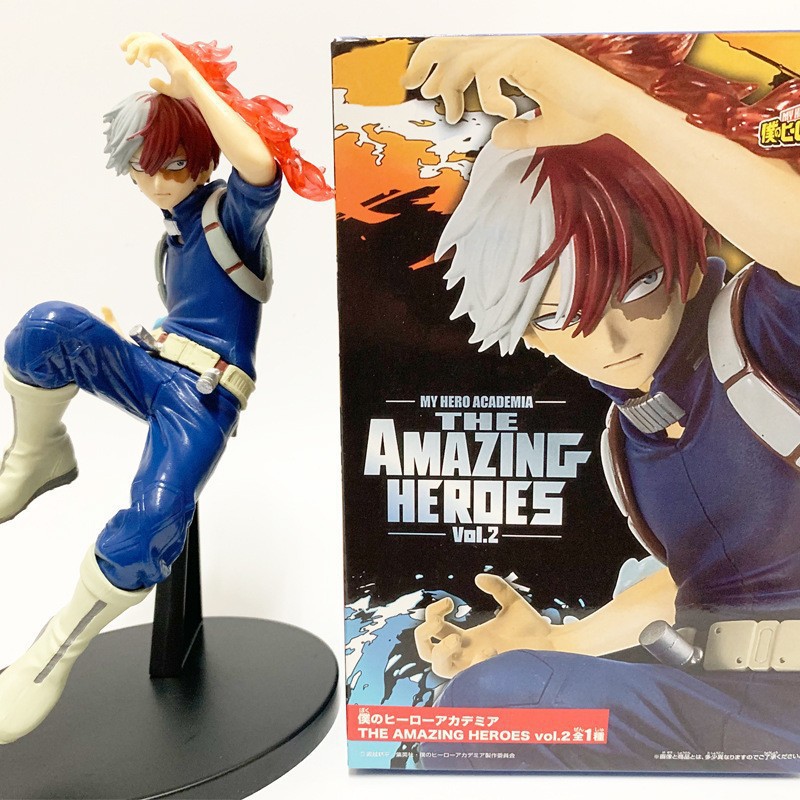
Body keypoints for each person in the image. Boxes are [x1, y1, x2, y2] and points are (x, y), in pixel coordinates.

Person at [404, 34, 800, 769]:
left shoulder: (763, 332)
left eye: (639, 283)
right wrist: (559, 644)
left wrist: (615, 107)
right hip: (720, 706)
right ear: (525, 331)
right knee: (486, 713)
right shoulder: (629, 436)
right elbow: (703, 586)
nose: (611, 335)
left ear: (689, 261)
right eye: (557, 316)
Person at [0, 33, 285, 744]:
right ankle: (35, 457)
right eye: (144, 166)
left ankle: (51, 654)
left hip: (203, 399)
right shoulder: (173, 234)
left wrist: (189, 78)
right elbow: (183, 317)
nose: (159, 182)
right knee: (43, 329)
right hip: (153, 367)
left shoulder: (228, 216)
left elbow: (260, 167)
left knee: (155, 520)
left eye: (175, 164)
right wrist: (123, 342)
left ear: (202, 159)